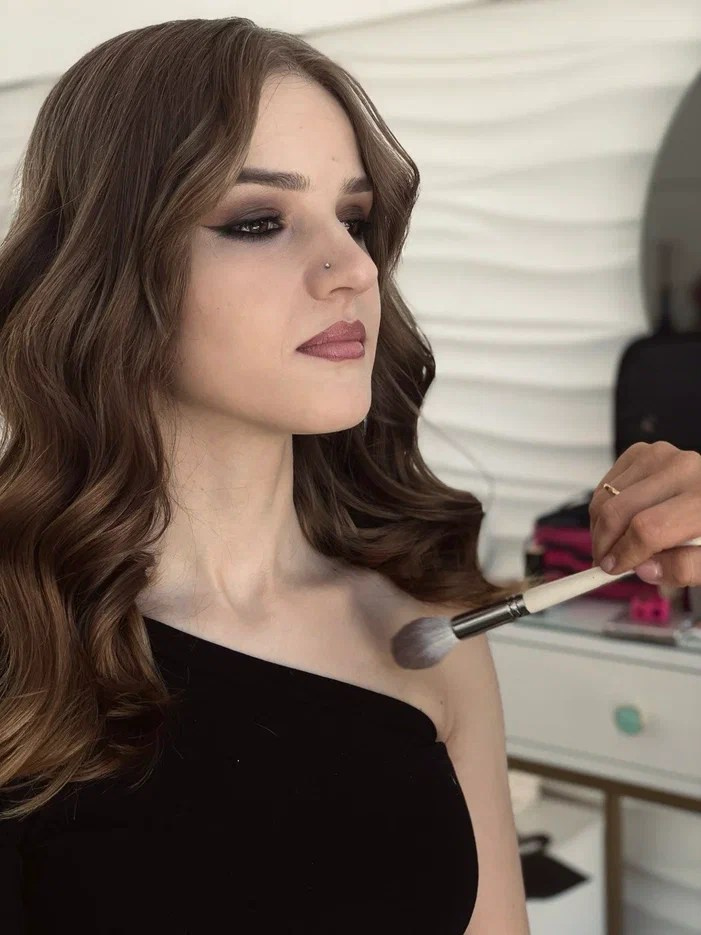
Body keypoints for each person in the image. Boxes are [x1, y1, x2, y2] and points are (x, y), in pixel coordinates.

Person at [0, 17, 531, 934]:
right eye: (257, 221)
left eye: (354, 219)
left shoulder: (423, 631)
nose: (353, 268)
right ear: (105, 266)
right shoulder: (23, 637)